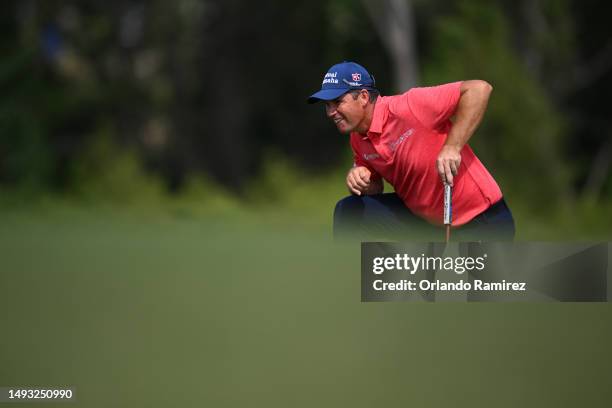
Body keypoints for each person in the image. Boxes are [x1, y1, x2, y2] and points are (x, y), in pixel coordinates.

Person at [307, 61, 515, 241]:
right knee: (349, 211)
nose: (331, 112)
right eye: (327, 105)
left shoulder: (410, 106)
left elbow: (479, 89)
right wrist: (362, 179)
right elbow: (375, 187)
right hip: (424, 222)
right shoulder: (357, 137)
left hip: (483, 220)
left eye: (337, 102)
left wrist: (452, 147)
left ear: (363, 97)